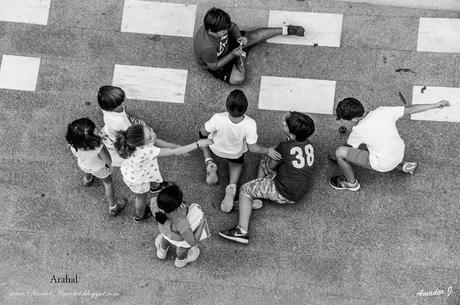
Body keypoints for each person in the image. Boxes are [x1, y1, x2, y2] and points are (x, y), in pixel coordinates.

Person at [219, 112, 316, 244]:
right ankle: (258, 193)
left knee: (245, 189)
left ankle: (241, 231)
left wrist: (273, 153)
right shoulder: (309, 144)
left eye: (286, 124)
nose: (283, 123)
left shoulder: (285, 147)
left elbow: (271, 165)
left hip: (284, 191)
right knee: (267, 158)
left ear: (292, 135)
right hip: (300, 187)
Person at [329, 98, 451, 191]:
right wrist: (435, 105)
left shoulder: (358, 131)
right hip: (399, 152)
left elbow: (348, 148)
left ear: (354, 119)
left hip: (382, 164)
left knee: (340, 152)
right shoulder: (383, 111)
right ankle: (402, 165)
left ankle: (351, 184)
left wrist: (338, 157)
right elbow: (411, 109)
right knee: (377, 141)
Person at [198, 89, 281, 213]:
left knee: (202, 140)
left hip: (215, 148)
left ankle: (209, 163)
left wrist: (204, 136)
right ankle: (231, 187)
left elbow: (203, 131)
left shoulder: (218, 118)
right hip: (235, 153)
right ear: (245, 108)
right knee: (236, 164)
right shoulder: (250, 124)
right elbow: (253, 147)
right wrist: (267, 150)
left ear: (227, 106)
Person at [115, 124, 212, 222]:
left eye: (148, 129)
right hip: (138, 180)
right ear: (142, 144)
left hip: (136, 171)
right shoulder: (146, 151)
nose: (152, 134)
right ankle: (139, 216)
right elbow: (173, 152)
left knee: (150, 178)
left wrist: (175, 146)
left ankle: (154, 186)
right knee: (141, 198)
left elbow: (155, 141)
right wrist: (197, 144)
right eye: (149, 136)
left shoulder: (134, 142)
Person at [97, 85, 181, 194]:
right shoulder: (120, 122)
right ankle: (155, 186)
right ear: (112, 107)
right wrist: (152, 138)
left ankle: (155, 185)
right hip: (125, 135)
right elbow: (134, 135)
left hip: (113, 133)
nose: (123, 103)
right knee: (146, 165)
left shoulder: (106, 108)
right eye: (120, 103)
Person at [193, 7, 305, 85]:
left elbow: (232, 27)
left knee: (254, 36)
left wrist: (238, 36)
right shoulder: (207, 48)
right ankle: (241, 55)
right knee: (238, 79)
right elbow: (214, 66)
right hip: (218, 60)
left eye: (226, 29)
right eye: (223, 32)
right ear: (211, 31)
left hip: (226, 46)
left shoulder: (221, 25)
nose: (226, 31)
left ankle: (286, 30)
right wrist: (232, 54)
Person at [66, 118, 126, 216]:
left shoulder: (73, 143)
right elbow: (108, 160)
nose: (98, 130)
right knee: (108, 183)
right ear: (92, 137)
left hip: (83, 164)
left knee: (88, 170)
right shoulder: (98, 146)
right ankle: (113, 207)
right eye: (95, 130)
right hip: (100, 169)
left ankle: (87, 180)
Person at [153, 183, 209, 268]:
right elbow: (193, 242)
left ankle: (162, 251)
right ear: (178, 204)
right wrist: (202, 222)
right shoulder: (181, 222)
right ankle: (180, 261)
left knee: (165, 238)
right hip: (179, 239)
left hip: (165, 232)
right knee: (182, 248)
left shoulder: (155, 204)